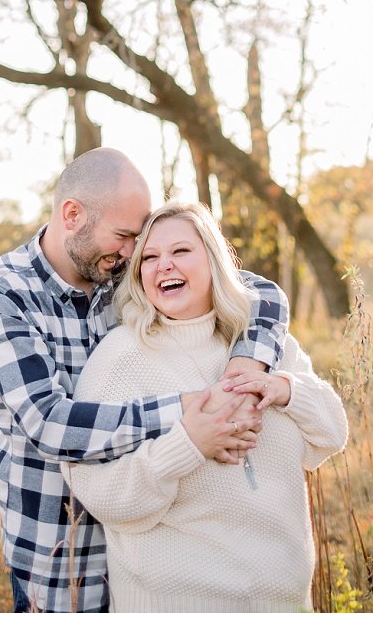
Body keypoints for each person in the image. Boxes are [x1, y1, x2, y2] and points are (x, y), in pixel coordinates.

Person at [0, 148, 289, 612]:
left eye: (137, 239)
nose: (131, 251)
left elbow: (259, 291)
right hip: (63, 550)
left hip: (154, 548)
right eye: (123, 236)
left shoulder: (121, 272)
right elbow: (50, 424)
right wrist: (193, 411)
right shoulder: (2, 292)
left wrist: (245, 367)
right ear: (72, 215)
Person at [63, 201, 348, 611]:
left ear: (214, 261)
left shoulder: (268, 345)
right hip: (175, 602)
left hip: (284, 601)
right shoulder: (119, 359)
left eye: (181, 251)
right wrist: (187, 446)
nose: (164, 266)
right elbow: (102, 496)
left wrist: (284, 388)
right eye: (150, 257)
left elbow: (333, 435)